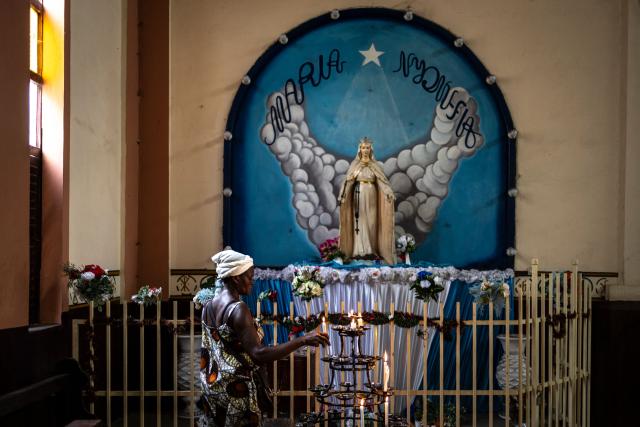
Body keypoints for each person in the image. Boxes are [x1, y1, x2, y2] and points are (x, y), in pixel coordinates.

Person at [198, 249, 330, 426]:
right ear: (236, 277)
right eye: (249, 276)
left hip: (213, 389)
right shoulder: (238, 309)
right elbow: (258, 354)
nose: (252, 281)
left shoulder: (208, 307)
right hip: (237, 392)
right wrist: (303, 340)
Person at [338, 137, 396, 264]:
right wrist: (343, 196)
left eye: (367, 148)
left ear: (371, 150)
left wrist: (388, 193)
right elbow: (349, 181)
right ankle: (359, 251)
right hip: (358, 194)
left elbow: (381, 181)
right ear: (360, 149)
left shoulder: (374, 165)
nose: (365, 150)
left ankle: (372, 250)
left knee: (372, 221)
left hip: (372, 194)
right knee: (359, 221)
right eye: (363, 147)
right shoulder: (355, 165)